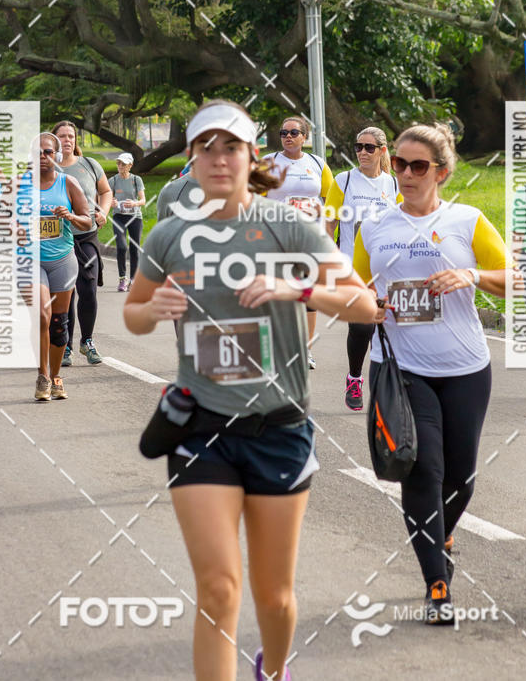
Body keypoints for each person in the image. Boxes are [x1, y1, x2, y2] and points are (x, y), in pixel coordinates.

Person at [124, 99, 378, 681]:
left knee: (276, 599)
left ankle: (275, 667)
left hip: (279, 426)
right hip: (201, 427)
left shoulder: (288, 227)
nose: (218, 158)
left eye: (230, 146)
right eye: (205, 147)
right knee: (217, 589)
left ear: (251, 156)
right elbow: (135, 313)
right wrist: (152, 308)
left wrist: (298, 291)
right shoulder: (169, 237)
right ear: (189, 159)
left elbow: (365, 304)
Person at [352, 123, 508, 623]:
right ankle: (436, 584)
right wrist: (365, 303)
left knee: (460, 478)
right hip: (401, 369)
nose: (405, 173)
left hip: (465, 368)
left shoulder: (467, 220)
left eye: (418, 166)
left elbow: (519, 278)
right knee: (423, 471)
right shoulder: (374, 226)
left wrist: (472, 275)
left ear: (441, 172)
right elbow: (351, 281)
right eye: (398, 163)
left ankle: (439, 533)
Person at [325, 126, 399, 410]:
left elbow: (403, 220)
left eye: (369, 147)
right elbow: (329, 223)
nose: (362, 152)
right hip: (352, 269)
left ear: (382, 151)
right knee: (362, 327)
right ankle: (354, 377)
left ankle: (385, 387)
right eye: (358, 147)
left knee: (386, 328)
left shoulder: (392, 184)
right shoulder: (344, 181)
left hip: (387, 268)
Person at [265, 116, 334, 370]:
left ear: (305, 137)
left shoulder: (317, 164)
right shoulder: (268, 163)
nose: (288, 137)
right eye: (284, 133)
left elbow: (331, 200)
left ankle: (306, 350)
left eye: (294, 132)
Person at [31, 133, 90, 400]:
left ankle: (56, 377)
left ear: (56, 155)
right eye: (38, 152)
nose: (43, 157)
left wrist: (70, 216)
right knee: (43, 316)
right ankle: (42, 376)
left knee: (58, 324)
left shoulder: (69, 183)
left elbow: (88, 222)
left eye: (47, 152)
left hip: (63, 260)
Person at [52, 121, 112, 367]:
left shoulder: (90, 165)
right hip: (57, 239)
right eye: (62, 136)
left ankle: (87, 341)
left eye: (71, 136)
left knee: (87, 289)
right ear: (53, 140)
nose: (68, 140)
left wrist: (104, 212)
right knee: (66, 293)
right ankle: (65, 345)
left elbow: (106, 191)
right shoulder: (48, 169)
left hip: (86, 235)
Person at [109, 153, 146, 291]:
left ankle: (133, 280)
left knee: (134, 249)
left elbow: (143, 200)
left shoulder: (137, 180)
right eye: (118, 163)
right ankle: (122, 279)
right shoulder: (112, 180)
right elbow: (106, 197)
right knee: (121, 247)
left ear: (130, 165)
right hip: (119, 217)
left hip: (135, 218)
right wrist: (111, 202)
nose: (120, 166)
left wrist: (135, 203)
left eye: (123, 164)